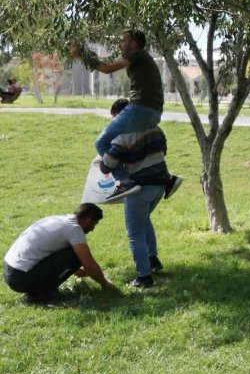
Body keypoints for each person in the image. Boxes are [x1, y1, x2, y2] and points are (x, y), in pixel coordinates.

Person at [70, 30, 178, 199]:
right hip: (153, 112)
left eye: (123, 41)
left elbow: (107, 68)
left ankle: (125, 181)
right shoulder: (144, 59)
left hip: (139, 109)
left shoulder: (137, 55)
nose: (120, 45)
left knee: (102, 142)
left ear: (134, 44)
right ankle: (165, 177)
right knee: (138, 142)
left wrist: (82, 54)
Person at [100, 98, 181, 287]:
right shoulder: (156, 130)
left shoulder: (122, 139)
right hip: (160, 186)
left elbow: (106, 166)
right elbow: (163, 151)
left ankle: (144, 278)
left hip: (139, 188)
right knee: (144, 220)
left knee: (134, 232)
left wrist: (106, 156)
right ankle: (153, 260)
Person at [4, 203, 117, 304]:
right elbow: (88, 264)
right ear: (88, 220)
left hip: (10, 270)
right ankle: (42, 294)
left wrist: (80, 272)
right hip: (20, 277)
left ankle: (36, 290)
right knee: (75, 256)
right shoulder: (74, 229)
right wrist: (105, 284)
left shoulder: (59, 219)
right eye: (94, 224)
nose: (92, 229)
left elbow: (54, 255)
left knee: (71, 254)